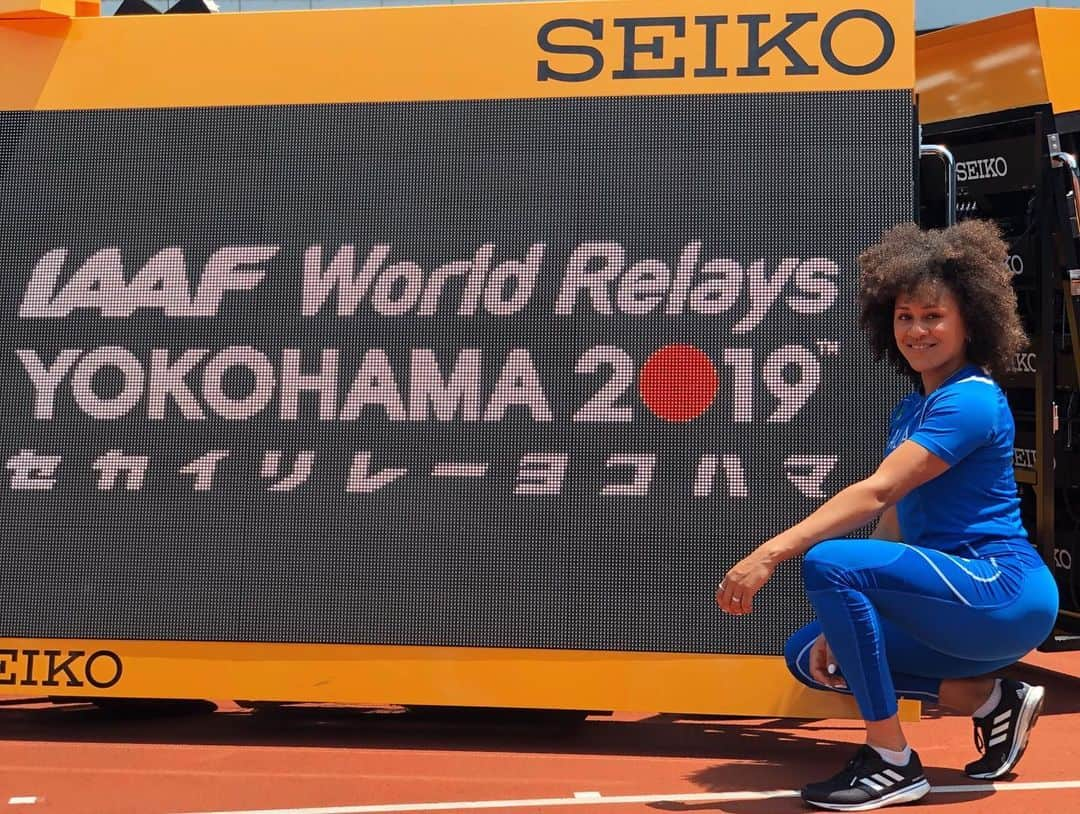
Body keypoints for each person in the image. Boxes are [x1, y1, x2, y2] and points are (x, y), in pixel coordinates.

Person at [716, 220, 1059, 811]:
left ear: (969, 321)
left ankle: (892, 761)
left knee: (829, 559)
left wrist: (769, 552)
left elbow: (878, 491)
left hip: (1001, 592)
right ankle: (989, 701)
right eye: (905, 316)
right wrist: (845, 621)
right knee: (811, 655)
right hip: (952, 602)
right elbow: (896, 517)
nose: (917, 330)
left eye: (933, 316)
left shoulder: (971, 398)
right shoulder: (915, 405)